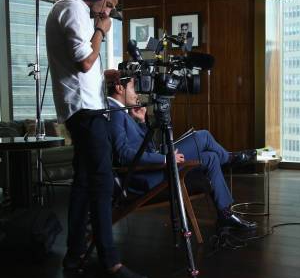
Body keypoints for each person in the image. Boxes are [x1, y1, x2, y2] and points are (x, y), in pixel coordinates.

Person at [46, 0, 148, 278]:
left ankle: (74, 256)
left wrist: (107, 74)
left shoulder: (72, 10)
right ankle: (111, 263)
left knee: (84, 183)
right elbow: (84, 63)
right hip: (85, 113)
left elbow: (85, 66)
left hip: (86, 108)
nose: (107, 13)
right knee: (103, 183)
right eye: (109, 5)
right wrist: (101, 32)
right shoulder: (73, 9)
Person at [104, 70, 257, 229]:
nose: (136, 94)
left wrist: (142, 122)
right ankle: (230, 159)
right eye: (133, 88)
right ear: (119, 88)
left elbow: (146, 148)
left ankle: (225, 213)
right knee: (203, 136)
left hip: (152, 168)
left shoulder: (120, 112)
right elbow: (123, 154)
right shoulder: (115, 113)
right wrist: (164, 159)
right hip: (147, 176)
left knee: (211, 157)